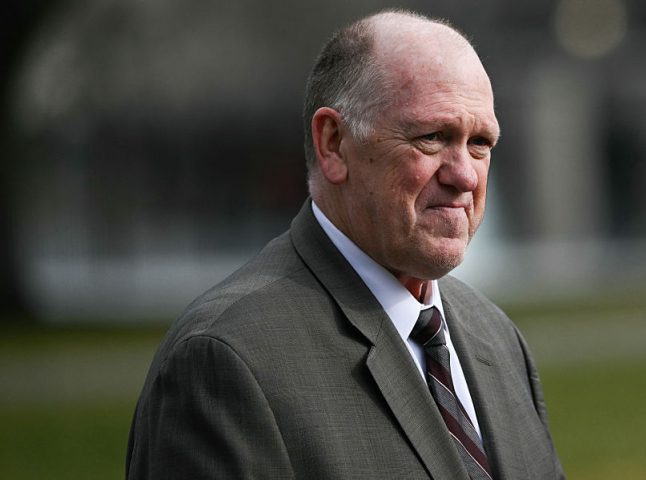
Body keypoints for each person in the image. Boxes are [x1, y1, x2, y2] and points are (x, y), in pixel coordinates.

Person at [126, 9, 565, 480]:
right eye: (433, 137)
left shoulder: (495, 339)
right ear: (333, 144)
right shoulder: (226, 360)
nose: (464, 175)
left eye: (480, 142)